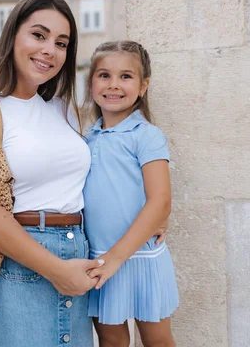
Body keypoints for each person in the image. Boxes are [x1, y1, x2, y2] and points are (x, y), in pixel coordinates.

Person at [0, 0, 102, 347]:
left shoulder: (63, 109)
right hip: (15, 264)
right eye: (39, 35)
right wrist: (56, 271)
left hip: (76, 254)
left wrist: (153, 212)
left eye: (61, 42)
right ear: (13, 36)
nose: (50, 49)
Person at [82, 41, 179, 347]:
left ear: (142, 86)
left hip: (139, 257)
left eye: (125, 76)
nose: (113, 84)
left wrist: (117, 256)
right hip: (98, 259)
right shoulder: (86, 138)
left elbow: (160, 200)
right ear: (91, 83)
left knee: (157, 340)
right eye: (104, 75)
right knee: (111, 342)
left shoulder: (146, 135)